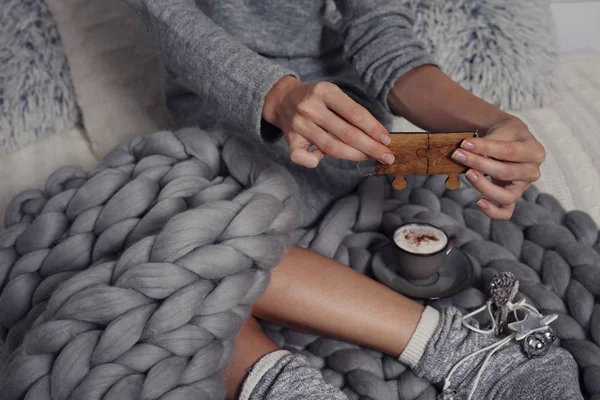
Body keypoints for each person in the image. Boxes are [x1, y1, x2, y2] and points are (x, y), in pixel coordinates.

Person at [123, 1, 580, 399]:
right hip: (220, 105)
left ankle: (469, 354)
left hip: (342, 119)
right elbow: (164, 14)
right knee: (166, 254)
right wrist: (277, 96)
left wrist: (495, 124)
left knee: (188, 264)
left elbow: (381, 32)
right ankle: (458, 352)